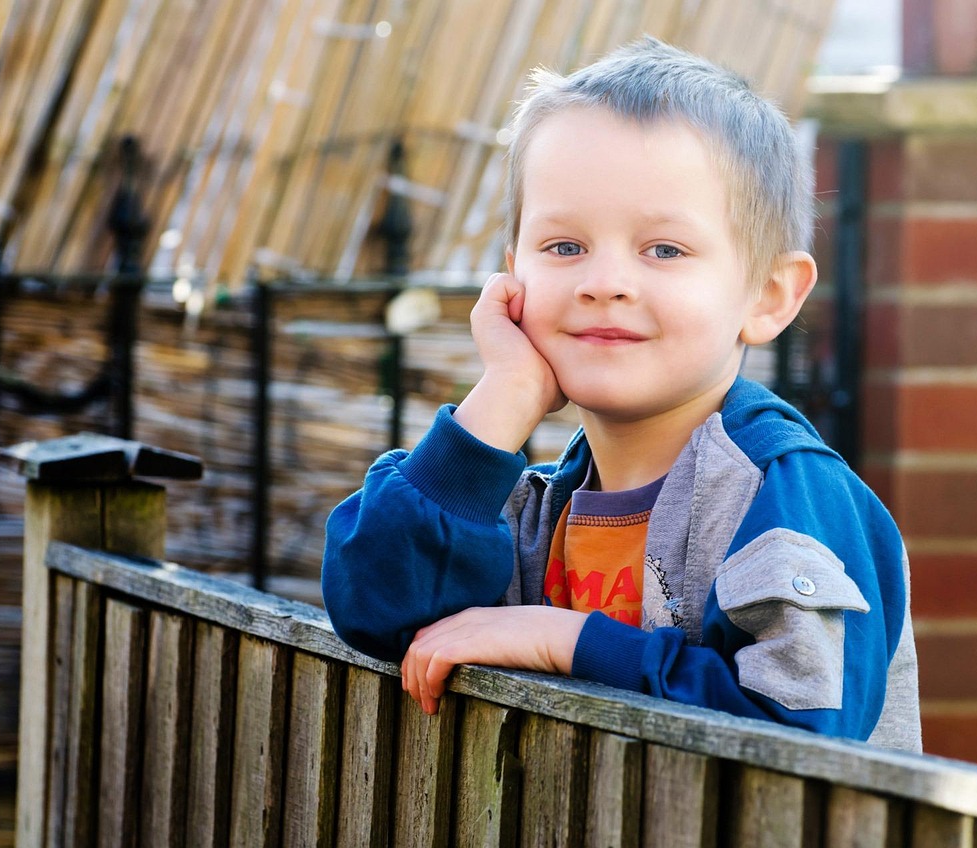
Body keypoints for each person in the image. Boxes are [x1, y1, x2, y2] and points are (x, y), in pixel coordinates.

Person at [321, 38, 920, 751]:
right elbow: (377, 610)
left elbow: (799, 734)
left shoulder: (787, 497)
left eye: (663, 249)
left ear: (767, 295)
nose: (603, 282)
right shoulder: (531, 506)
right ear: (514, 280)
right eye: (564, 247)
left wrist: (568, 640)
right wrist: (503, 397)